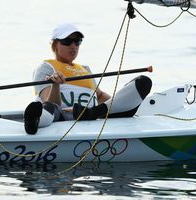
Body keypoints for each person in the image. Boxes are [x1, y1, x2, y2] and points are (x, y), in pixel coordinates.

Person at [23, 22, 152, 135]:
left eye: (77, 41)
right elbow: (50, 102)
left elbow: (100, 96)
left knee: (143, 82)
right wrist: (55, 85)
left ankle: (91, 113)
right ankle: (35, 121)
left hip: (92, 116)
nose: (73, 46)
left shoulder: (85, 69)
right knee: (50, 109)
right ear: (55, 44)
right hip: (61, 116)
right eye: (67, 41)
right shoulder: (46, 67)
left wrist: (122, 102)